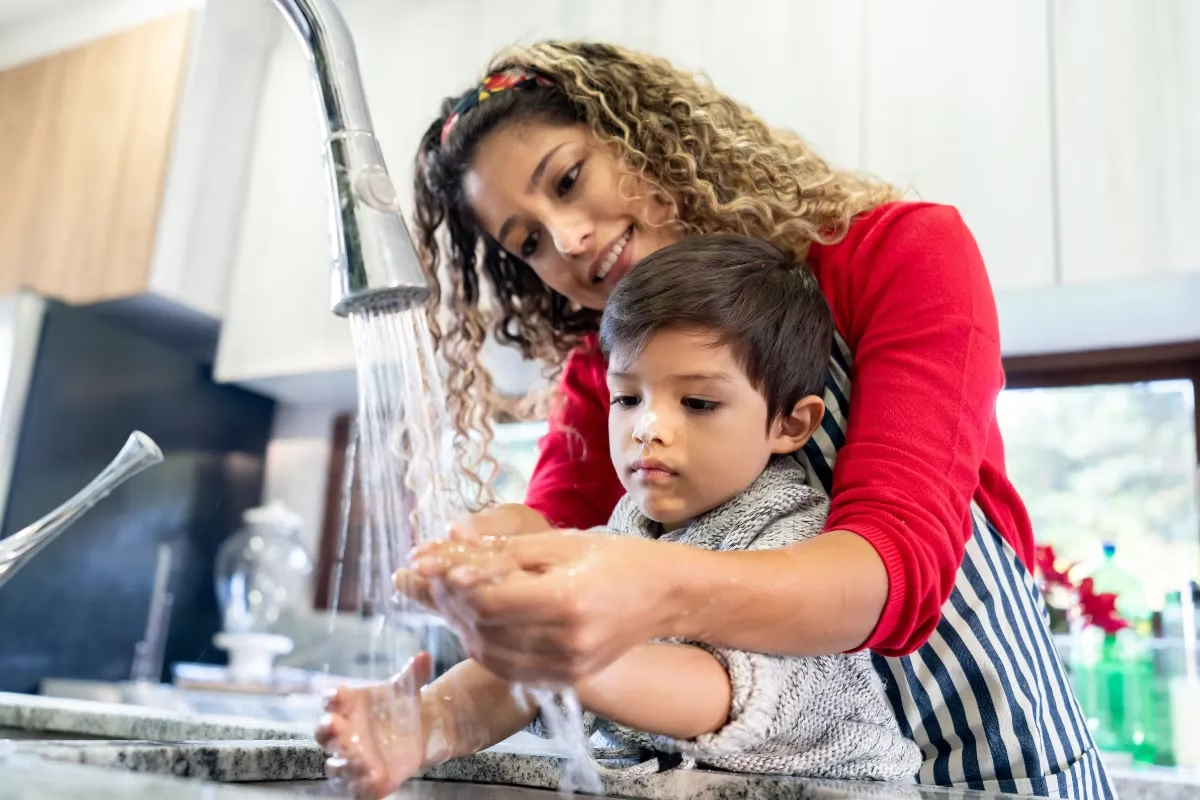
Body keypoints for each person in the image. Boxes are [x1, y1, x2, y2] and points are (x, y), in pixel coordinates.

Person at [397, 42, 1113, 798]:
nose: (569, 241)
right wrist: (488, 564)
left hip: (993, 764)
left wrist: (651, 584)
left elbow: (887, 572)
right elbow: (568, 543)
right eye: (530, 242)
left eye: (569, 180)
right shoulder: (599, 372)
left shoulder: (899, 255)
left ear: (644, 133)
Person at [318, 234, 922, 799]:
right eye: (628, 398)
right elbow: (518, 681)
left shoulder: (793, 536)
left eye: (699, 402)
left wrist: (565, 652)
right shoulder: (628, 530)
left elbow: (718, 692)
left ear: (790, 424)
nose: (648, 430)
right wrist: (429, 722)